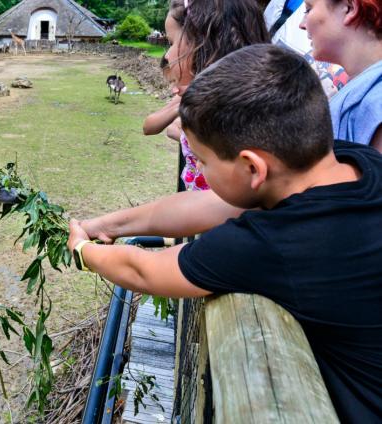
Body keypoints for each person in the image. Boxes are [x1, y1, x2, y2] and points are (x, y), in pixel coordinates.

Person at [69, 44, 382, 421]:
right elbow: (208, 205)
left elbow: (144, 271)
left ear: (252, 167)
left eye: (201, 160)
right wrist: (109, 225)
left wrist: (85, 252)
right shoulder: (355, 161)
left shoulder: (273, 243)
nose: (199, 170)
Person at [141, 0, 270, 191]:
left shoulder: (233, 115)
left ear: (203, 43)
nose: (167, 55)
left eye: (171, 42)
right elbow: (152, 126)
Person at [300, 0, 382, 150]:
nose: (302, 24)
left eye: (308, 9)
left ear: (350, 8)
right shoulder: (367, 87)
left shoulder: (377, 99)